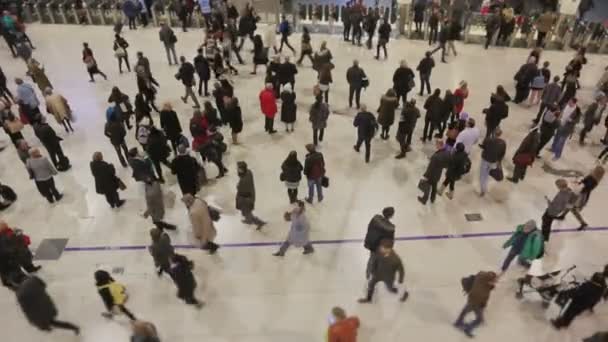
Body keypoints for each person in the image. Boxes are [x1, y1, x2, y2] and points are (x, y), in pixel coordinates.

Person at [358, 239, 405, 303]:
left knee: (390, 289)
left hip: (388, 277)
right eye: (381, 247)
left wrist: (400, 279)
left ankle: (404, 293)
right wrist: (368, 272)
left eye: (384, 248)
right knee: (371, 285)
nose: (381, 249)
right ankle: (368, 299)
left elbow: (401, 270)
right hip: (376, 274)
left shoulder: (395, 259)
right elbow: (371, 263)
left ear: (389, 249)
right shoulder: (376, 253)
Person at [453, 271, 498, 337]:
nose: (494, 282)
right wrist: (483, 304)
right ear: (490, 279)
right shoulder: (485, 285)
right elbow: (483, 295)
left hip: (471, 299)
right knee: (479, 319)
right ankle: (467, 329)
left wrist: (490, 286)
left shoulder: (480, 276)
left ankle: (458, 323)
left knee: (465, 311)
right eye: (493, 280)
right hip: (477, 303)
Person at [561, 166, 605, 231]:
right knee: (570, 204)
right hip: (579, 192)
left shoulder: (594, 181)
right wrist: (579, 182)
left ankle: (583, 223)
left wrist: (580, 186)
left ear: (596, 172)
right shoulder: (591, 177)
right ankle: (563, 215)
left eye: (595, 169)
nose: (593, 169)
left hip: (582, 195)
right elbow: (583, 182)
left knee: (573, 208)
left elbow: (587, 188)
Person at [363, 207, 395, 278]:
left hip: (370, 242)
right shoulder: (390, 227)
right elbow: (390, 241)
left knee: (371, 259)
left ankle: (368, 274)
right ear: (391, 216)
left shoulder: (375, 218)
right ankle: (373, 275)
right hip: (378, 247)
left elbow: (369, 227)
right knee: (376, 259)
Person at [418, 139, 450, 205]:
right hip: (438, 173)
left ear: (439, 144)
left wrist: (426, 175)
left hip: (432, 174)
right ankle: (433, 198)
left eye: (436, 144)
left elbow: (430, 168)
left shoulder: (436, 157)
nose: (435, 146)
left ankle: (424, 199)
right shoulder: (447, 152)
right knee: (434, 186)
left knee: (427, 186)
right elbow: (446, 164)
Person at [236, 161, 266, 229]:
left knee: (247, 212)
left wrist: (238, 186)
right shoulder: (248, 172)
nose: (237, 169)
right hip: (250, 195)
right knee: (247, 212)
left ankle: (259, 222)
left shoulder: (244, 179)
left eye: (239, 168)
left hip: (246, 199)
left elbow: (241, 189)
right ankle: (249, 220)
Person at [479, 129, 506, 197]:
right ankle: (485, 185)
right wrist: (499, 161)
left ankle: (483, 190)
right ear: (500, 134)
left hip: (485, 159)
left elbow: (483, 146)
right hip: (494, 161)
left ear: (493, 133)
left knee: (482, 175)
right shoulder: (503, 143)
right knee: (488, 173)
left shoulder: (488, 139)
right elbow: (502, 154)